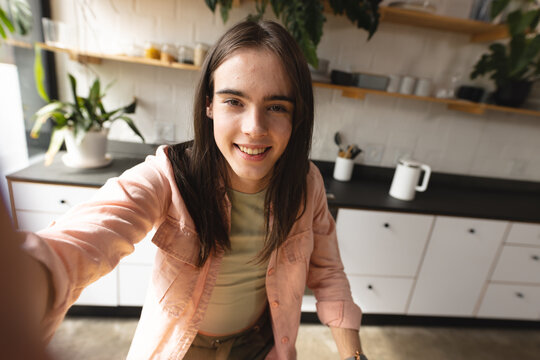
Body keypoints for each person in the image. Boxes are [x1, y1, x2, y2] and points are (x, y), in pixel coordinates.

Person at [18, 20, 367, 360]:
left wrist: (354, 355)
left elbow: (329, 273)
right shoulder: (169, 177)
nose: (254, 127)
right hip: (181, 347)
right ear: (209, 104)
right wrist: (26, 284)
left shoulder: (307, 185)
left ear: (296, 116)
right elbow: (83, 239)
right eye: (234, 101)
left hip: (261, 344)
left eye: (276, 107)